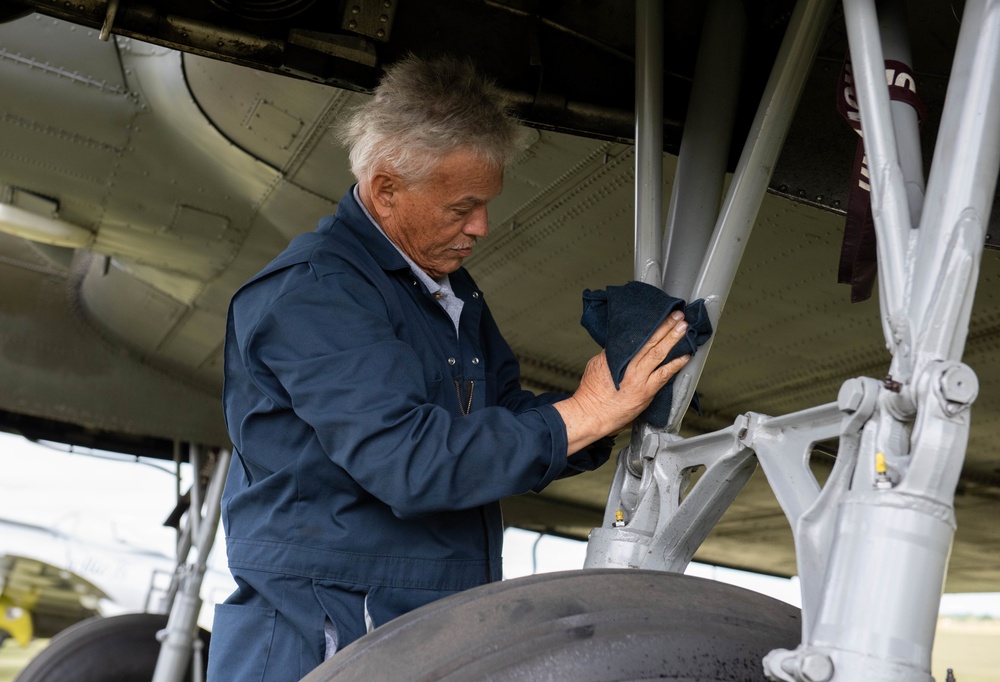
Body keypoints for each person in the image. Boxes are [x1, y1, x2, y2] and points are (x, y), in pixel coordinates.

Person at [206, 54, 691, 681]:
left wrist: (603, 412)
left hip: (421, 624)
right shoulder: (314, 295)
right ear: (386, 191)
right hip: (332, 634)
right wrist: (579, 416)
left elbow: (492, 418)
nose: (482, 227)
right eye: (462, 207)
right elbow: (410, 462)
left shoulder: (442, 286)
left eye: (486, 204)